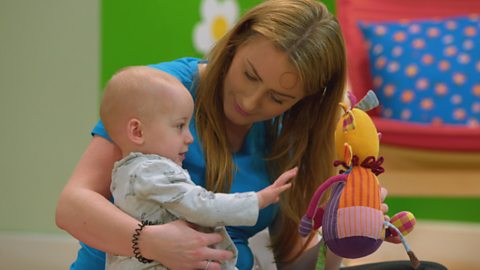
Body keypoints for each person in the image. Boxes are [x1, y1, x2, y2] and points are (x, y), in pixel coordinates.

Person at [55, 0, 384, 269]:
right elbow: (71, 207)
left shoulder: (290, 132)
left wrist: (340, 235)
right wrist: (152, 243)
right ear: (235, 44)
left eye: (278, 98)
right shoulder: (161, 92)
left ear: (304, 101)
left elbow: (293, 264)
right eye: (249, 75)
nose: (250, 102)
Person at [100, 66, 297, 269]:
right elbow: (200, 205)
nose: (190, 138)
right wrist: (257, 200)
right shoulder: (150, 171)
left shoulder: (130, 171)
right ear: (137, 131)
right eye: (180, 126)